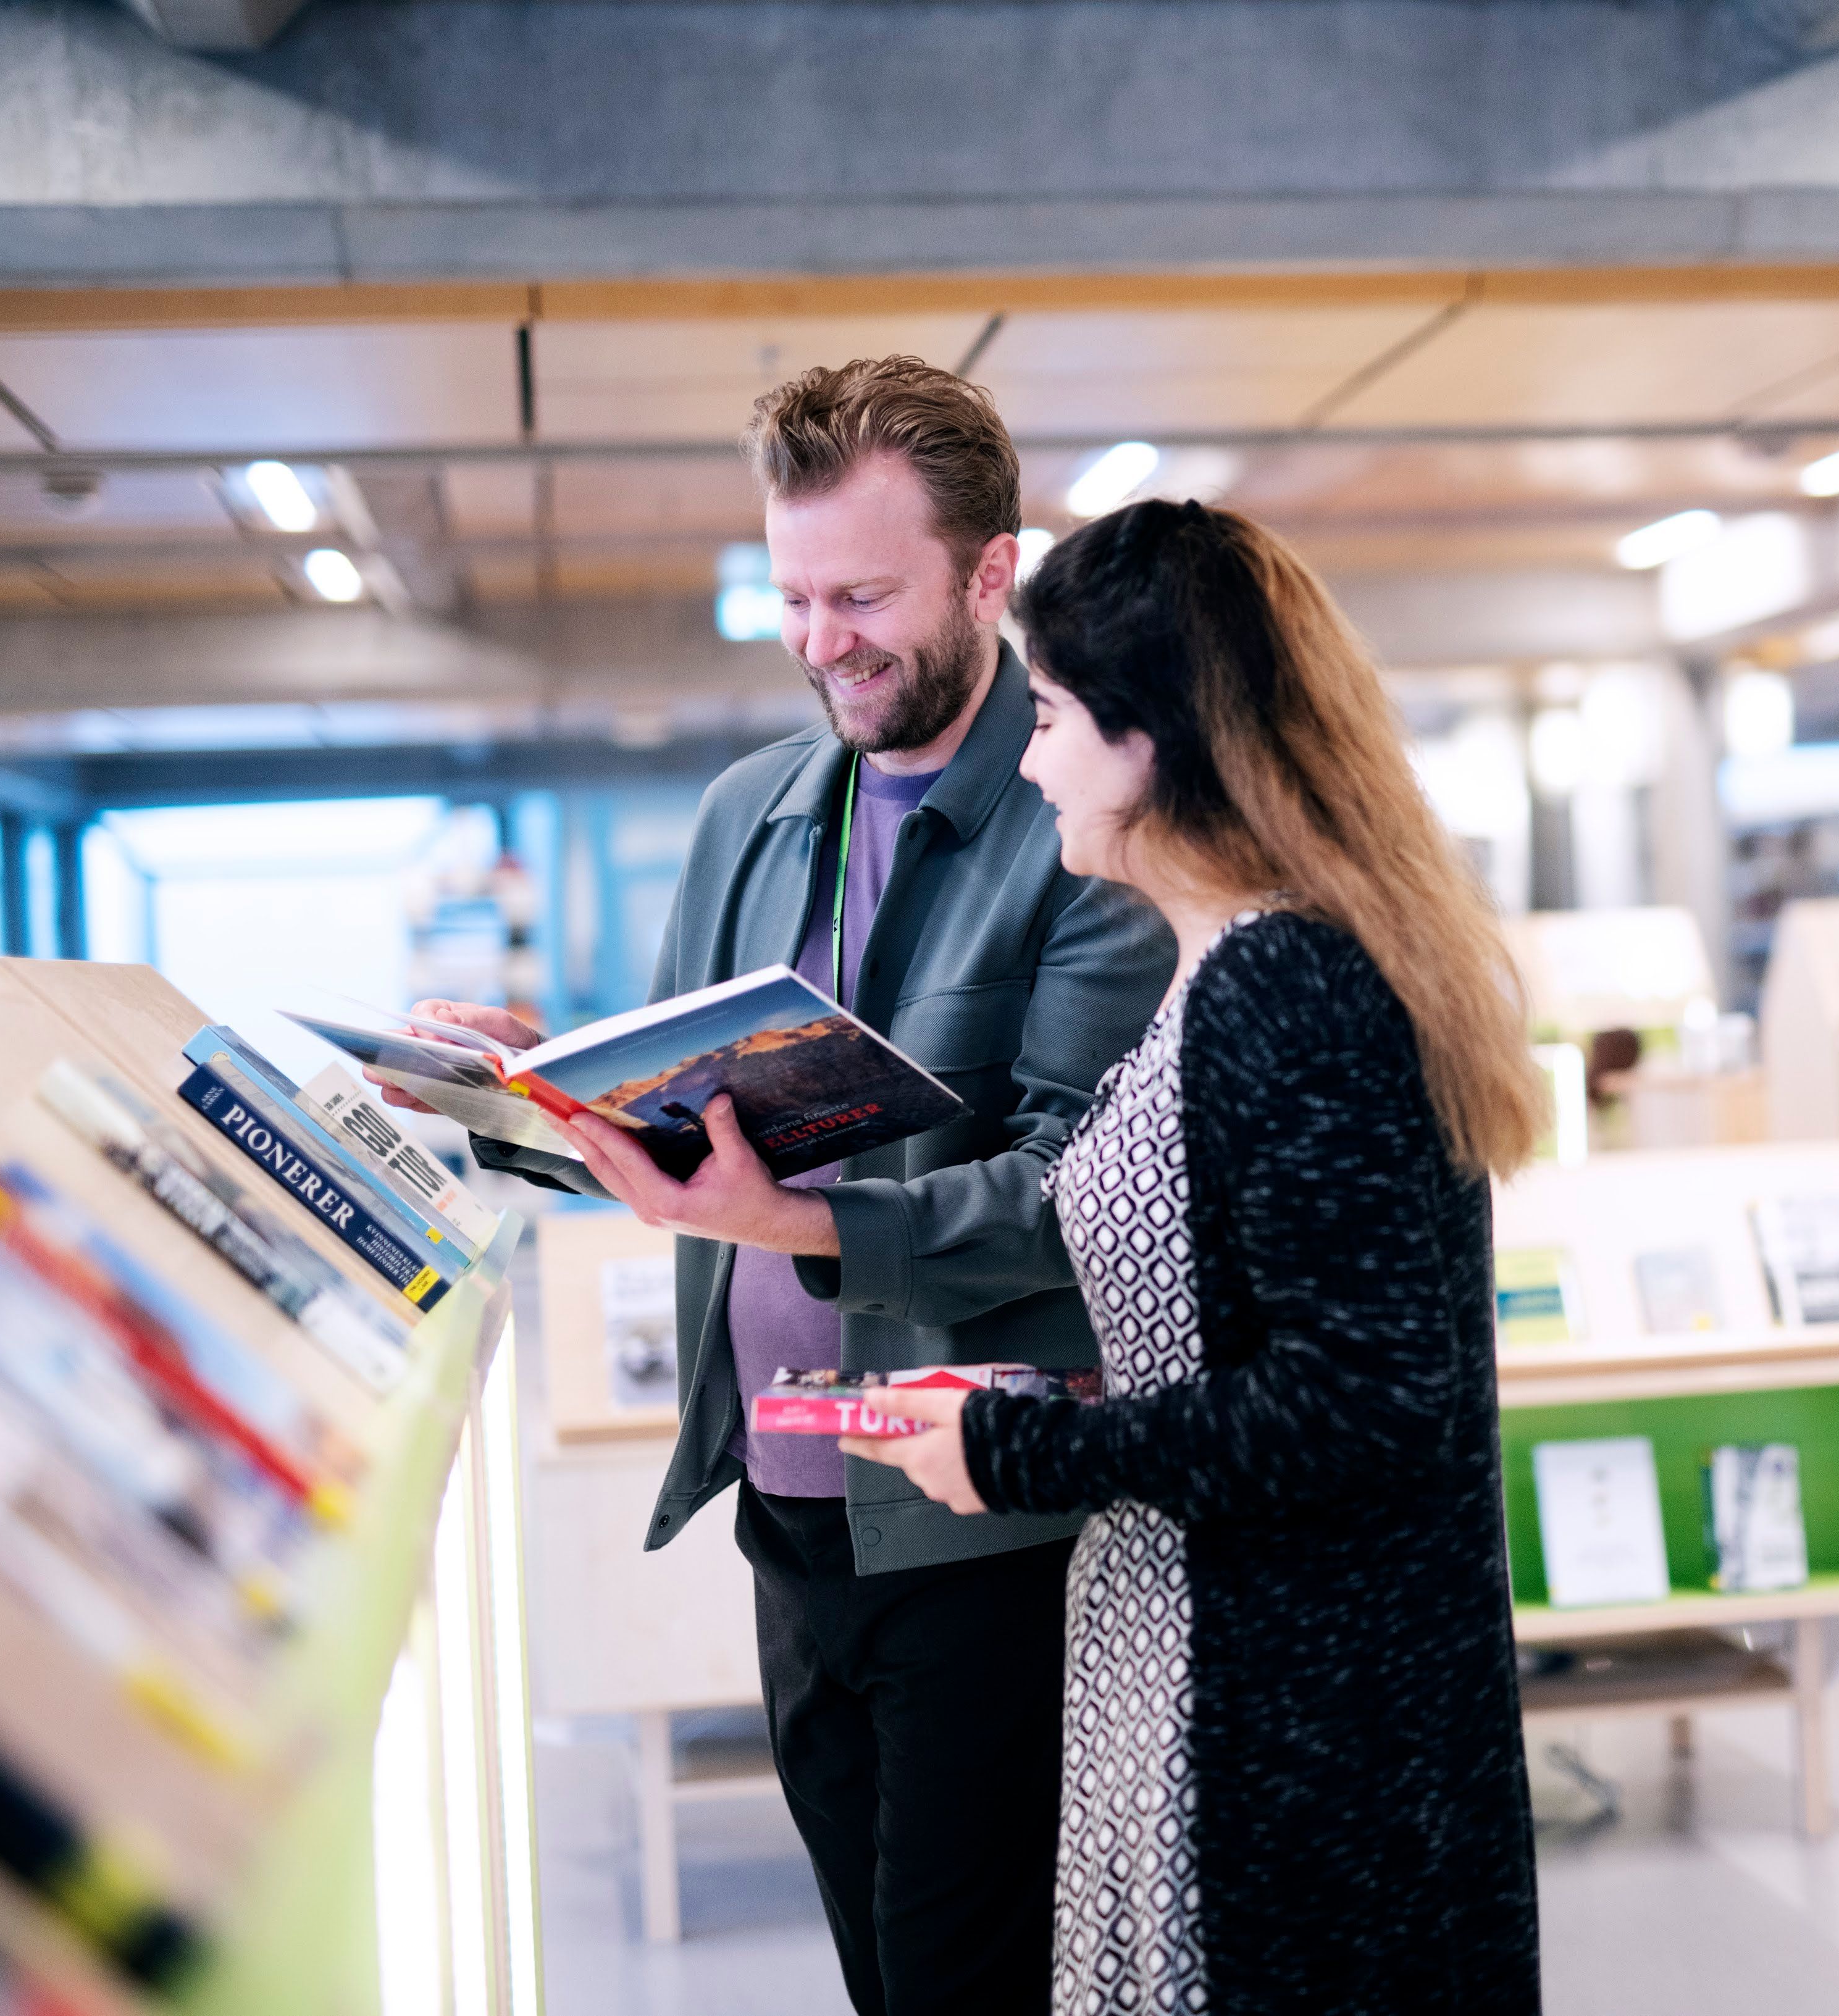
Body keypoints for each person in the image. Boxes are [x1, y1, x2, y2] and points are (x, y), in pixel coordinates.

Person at [406, 358, 1173, 2015]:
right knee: (878, 1972)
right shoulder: (744, 812)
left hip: (984, 1523)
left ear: (989, 575)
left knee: (971, 1981)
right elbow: (694, 1104)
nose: (822, 639)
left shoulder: (1089, 827)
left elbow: (1076, 1197)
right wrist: (549, 1080)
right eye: (794, 593)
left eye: (866, 596)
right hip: (787, 1515)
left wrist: (794, 1220)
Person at [844, 497, 1545, 2016]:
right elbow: (1262, 1326)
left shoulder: (1286, 984)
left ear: (1147, 739)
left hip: (1302, 1711)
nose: (1026, 759)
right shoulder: (1237, 969)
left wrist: (1023, 1447)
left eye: (1047, 717)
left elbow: (1366, 1399)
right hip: (1230, 1671)